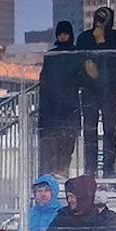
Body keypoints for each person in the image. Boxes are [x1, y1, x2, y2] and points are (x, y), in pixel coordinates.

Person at [77, 6, 116, 175]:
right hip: (90, 89)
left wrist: (101, 41)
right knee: (89, 130)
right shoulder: (84, 38)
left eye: (103, 20)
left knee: (110, 130)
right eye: (97, 19)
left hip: (108, 89)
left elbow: (112, 60)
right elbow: (80, 60)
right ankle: (90, 168)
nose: (99, 23)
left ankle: (108, 169)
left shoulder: (115, 37)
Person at [36, 21, 83, 174]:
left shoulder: (76, 54)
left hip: (68, 107)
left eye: (65, 33)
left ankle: (61, 174)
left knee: (66, 147)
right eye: (60, 34)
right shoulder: (51, 55)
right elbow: (44, 80)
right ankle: (52, 177)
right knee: (51, 148)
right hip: (52, 109)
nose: (63, 37)